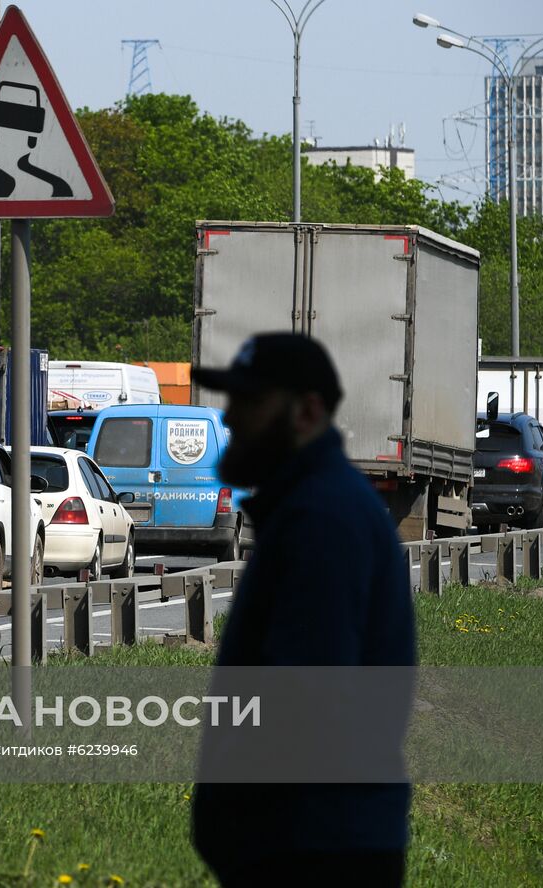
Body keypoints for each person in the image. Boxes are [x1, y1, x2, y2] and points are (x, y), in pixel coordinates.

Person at [189, 332, 416, 888]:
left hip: (313, 848)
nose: (233, 419)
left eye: (250, 402)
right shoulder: (310, 506)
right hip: (314, 839)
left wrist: (245, 828)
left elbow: (307, 698)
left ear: (307, 412)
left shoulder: (322, 519)